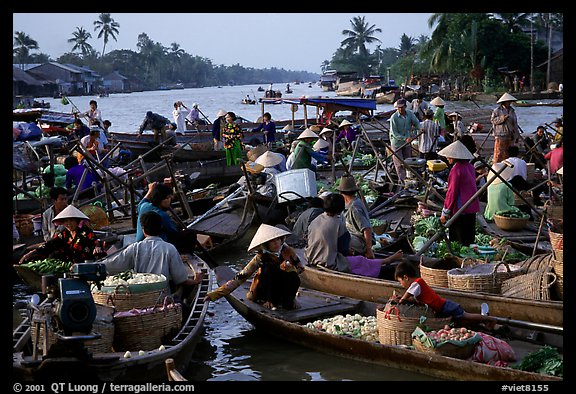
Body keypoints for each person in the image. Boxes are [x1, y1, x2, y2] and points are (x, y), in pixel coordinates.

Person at [204, 224, 305, 310]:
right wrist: (214, 294)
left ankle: (288, 300)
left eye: (278, 239)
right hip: (265, 290)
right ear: (266, 244)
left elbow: (300, 269)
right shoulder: (260, 257)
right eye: (272, 241)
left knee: (293, 276)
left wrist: (290, 269)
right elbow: (240, 277)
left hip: (283, 288)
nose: (276, 243)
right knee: (268, 270)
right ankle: (268, 301)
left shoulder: (287, 252)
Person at [100, 211, 203, 295]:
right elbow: (180, 279)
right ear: (161, 228)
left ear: (143, 229)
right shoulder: (169, 248)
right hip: (162, 297)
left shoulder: (135, 248)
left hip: (139, 296)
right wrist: (195, 281)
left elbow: (111, 265)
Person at [305, 193, 403, 280]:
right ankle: (388, 260)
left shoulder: (316, 219)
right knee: (360, 260)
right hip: (328, 262)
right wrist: (352, 252)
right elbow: (343, 248)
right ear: (340, 208)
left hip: (311, 257)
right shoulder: (338, 223)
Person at [393, 261, 496, 328]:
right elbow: (413, 299)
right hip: (443, 307)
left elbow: (404, 298)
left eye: (400, 281)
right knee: (463, 321)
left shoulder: (417, 283)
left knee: (466, 316)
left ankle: (489, 319)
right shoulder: (417, 284)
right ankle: (485, 320)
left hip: (445, 307)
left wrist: (398, 300)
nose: (401, 285)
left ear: (406, 277)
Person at [19, 205, 106, 266]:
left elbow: (96, 241)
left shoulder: (85, 232)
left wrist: (97, 247)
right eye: (66, 221)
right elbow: (50, 244)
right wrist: (31, 253)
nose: (69, 224)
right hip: (69, 265)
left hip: (86, 265)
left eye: (72, 221)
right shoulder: (64, 234)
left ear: (77, 221)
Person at [437, 140, 479, 246]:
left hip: (461, 209)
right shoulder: (470, 167)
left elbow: (452, 192)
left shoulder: (456, 169)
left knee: (457, 240)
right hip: (471, 206)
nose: (447, 158)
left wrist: (445, 213)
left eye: (449, 156)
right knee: (468, 239)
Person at [337, 175, 375, 259]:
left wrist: (369, 250)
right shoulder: (347, 204)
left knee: (337, 240)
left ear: (341, 192)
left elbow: (367, 229)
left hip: (360, 241)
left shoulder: (354, 207)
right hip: (352, 236)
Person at [388, 98, 420, 184]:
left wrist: (420, 128)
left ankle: (408, 179)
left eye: (402, 107)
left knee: (408, 161)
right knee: (399, 164)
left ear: (405, 107)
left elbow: (416, 122)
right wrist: (404, 138)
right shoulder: (394, 117)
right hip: (397, 143)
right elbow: (394, 133)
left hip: (406, 142)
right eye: (398, 107)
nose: (400, 109)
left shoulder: (410, 114)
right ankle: (401, 181)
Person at [491, 92, 521, 163]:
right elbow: (493, 120)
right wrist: (502, 118)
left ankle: (507, 167)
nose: (509, 103)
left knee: (508, 153)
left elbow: (515, 124)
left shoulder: (512, 111)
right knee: (499, 153)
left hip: (510, 135)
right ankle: (497, 166)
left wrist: (517, 135)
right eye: (508, 101)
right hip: (500, 135)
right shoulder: (497, 111)